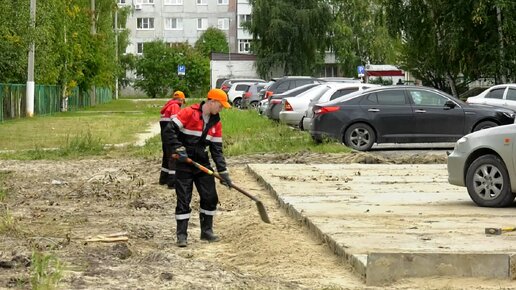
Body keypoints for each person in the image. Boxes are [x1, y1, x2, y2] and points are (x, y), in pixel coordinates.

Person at [164, 88, 232, 247]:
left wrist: (223, 172)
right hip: (184, 162)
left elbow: (217, 150)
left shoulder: (216, 123)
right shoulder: (188, 112)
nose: (221, 109)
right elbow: (169, 131)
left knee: (210, 197)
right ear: (212, 101)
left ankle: (206, 232)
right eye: (220, 106)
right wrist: (178, 148)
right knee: (184, 199)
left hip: (201, 162)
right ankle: (182, 235)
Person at [159, 90, 186, 188]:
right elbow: (176, 123)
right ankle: (172, 182)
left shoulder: (168, 106)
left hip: (164, 135)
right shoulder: (175, 106)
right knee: (173, 157)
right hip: (170, 136)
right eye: (183, 101)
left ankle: (163, 179)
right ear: (182, 99)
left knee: (166, 157)